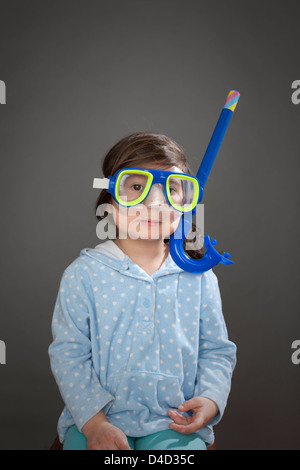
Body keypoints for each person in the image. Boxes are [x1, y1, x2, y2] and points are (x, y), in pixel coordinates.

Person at [48, 131, 237, 450]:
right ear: (110, 197)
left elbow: (216, 350)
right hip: (95, 419)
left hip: (174, 422)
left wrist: (211, 398)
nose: (155, 203)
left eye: (171, 190)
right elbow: (69, 355)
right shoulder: (84, 275)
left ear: (186, 204)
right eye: (137, 187)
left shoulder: (200, 278)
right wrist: (95, 425)